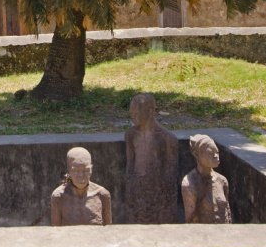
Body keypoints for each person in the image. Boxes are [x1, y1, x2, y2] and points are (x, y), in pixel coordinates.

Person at [124, 93, 178, 224]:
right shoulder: (130, 135)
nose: (133, 117)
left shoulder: (167, 138)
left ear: (149, 111)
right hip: (137, 188)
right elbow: (130, 163)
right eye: (132, 113)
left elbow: (170, 171)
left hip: (158, 191)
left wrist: (163, 196)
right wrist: (130, 186)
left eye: (136, 113)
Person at [50, 147, 112, 226]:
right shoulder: (58, 196)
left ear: (91, 169)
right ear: (69, 171)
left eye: (86, 170)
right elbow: (56, 230)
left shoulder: (102, 195)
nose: (81, 175)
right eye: (76, 170)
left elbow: (108, 229)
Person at [181, 134, 232, 224]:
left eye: (217, 152)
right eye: (210, 153)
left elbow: (227, 212)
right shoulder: (189, 184)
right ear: (197, 155)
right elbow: (190, 219)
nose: (216, 156)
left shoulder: (222, 180)